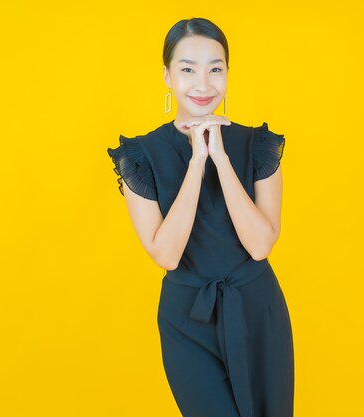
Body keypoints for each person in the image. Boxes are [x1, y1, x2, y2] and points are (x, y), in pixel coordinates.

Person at [106, 17, 294, 417]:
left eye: (215, 68)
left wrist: (221, 158)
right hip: (186, 318)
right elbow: (167, 255)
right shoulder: (139, 156)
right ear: (167, 76)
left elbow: (260, 245)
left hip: (256, 309)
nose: (203, 84)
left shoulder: (258, 145)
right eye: (188, 69)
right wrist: (197, 161)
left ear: (228, 73)